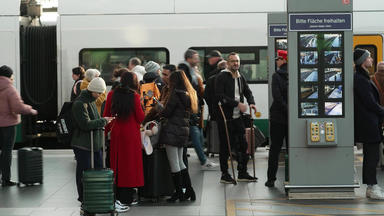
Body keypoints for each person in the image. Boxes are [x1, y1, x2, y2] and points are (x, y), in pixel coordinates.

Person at [70, 77, 115, 204]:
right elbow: (85, 124)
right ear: (92, 91)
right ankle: (83, 197)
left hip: (94, 144)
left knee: (99, 170)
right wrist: (104, 121)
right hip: (83, 145)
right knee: (84, 172)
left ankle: (95, 196)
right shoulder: (80, 103)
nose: (100, 96)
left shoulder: (90, 101)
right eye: (99, 93)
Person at [215, 52, 258, 184]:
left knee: (243, 144)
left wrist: (251, 102)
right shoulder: (222, 77)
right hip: (225, 117)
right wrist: (237, 104)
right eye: (233, 61)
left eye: (237, 61)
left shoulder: (240, 77)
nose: (236, 63)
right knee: (226, 146)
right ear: (228, 63)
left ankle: (242, 172)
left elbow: (247, 91)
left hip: (237, 117)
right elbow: (220, 96)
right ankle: (225, 174)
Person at [103, 71, 145, 205]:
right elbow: (140, 118)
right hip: (131, 134)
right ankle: (128, 196)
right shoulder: (135, 96)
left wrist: (105, 133)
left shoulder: (111, 94)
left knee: (116, 163)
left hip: (116, 133)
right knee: (130, 165)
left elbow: (106, 115)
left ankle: (116, 195)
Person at [158, 70, 197, 202]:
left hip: (172, 131)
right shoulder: (188, 94)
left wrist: (159, 108)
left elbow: (167, 112)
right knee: (180, 162)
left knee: (174, 163)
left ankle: (179, 193)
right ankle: (190, 190)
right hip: (182, 132)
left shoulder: (175, 94)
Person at [178, 49, 218, 170]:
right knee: (195, 133)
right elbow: (190, 88)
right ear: (188, 59)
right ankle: (203, 160)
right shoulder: (184, 70)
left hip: (195, 106)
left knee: (199, 133)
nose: (198, 60)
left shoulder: (190, 70)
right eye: (195, 58)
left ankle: (203, 159)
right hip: (190, 107)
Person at [0, 65, 38, 187]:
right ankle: (5, 179)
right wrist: (31, 110)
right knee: (6, 152)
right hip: (7, 126)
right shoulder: (10, 89)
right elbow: (17, 107)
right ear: (9, 76)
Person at [354, 48, 384, 200]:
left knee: (372, 156)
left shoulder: (363, 77)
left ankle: (373, 185)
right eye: (369, 57)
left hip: (370, 122)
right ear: (363, 61)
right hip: (368, 123)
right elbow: (370, 102)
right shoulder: (360, 79)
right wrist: (382, 111)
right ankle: (371, 187)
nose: (371, 59)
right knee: (371, 157)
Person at [265, 50, 288, 188]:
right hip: (291, 119)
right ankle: (292, 175)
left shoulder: (276, 76)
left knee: (275, 149)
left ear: (284, 60)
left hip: (278, 118)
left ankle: (271, 179)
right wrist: (291, 112)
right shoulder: (295, 75)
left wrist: (285, 109)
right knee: (292, 148)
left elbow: (277, 97)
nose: (276, 61)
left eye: (278, 58)